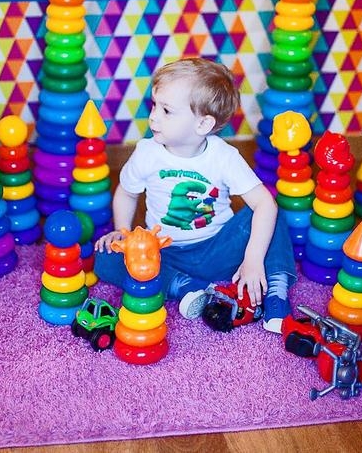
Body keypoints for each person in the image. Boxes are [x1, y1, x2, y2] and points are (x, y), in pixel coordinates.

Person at [94, 57, 296, 333]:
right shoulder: (147, 153)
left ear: (203, 124)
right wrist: (123, 232)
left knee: (272, 211)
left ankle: (274, 292)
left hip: (217, 248)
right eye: (154, 105)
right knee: (105, 257)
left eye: (166, 110)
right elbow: (127, 194)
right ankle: (186, 287)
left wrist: (252, 258)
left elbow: (263, 204)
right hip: (163, 253)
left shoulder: (223, 157)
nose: (153, 116)